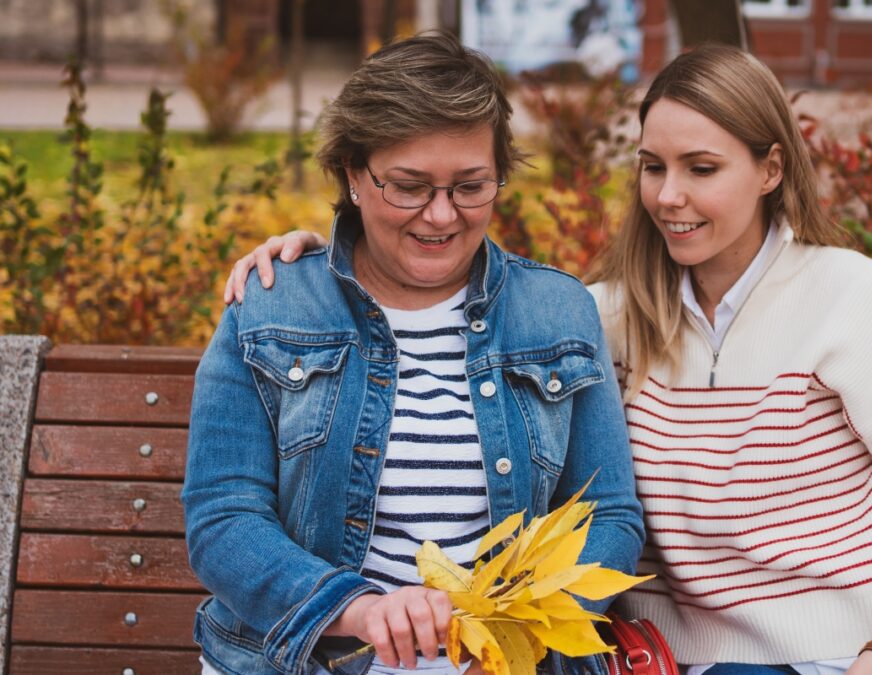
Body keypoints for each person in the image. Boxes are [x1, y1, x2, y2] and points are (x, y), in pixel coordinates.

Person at [230, 44, 872, 675]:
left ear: (771, 170)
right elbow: (445, 278)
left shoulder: (857, 300)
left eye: (701, 168)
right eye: (653, 166)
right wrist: (313, 261)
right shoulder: (604, 320)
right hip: (711, 656)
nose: (669, 195)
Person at [184, 32, 644, 675]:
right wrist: (361, 610)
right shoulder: (272, 306)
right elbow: (224, 520)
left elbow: (611, 518)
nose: (440, 216)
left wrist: (517, 634)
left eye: (470, 186)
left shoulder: (558, 313)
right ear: (353, 174)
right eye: (408, 186)